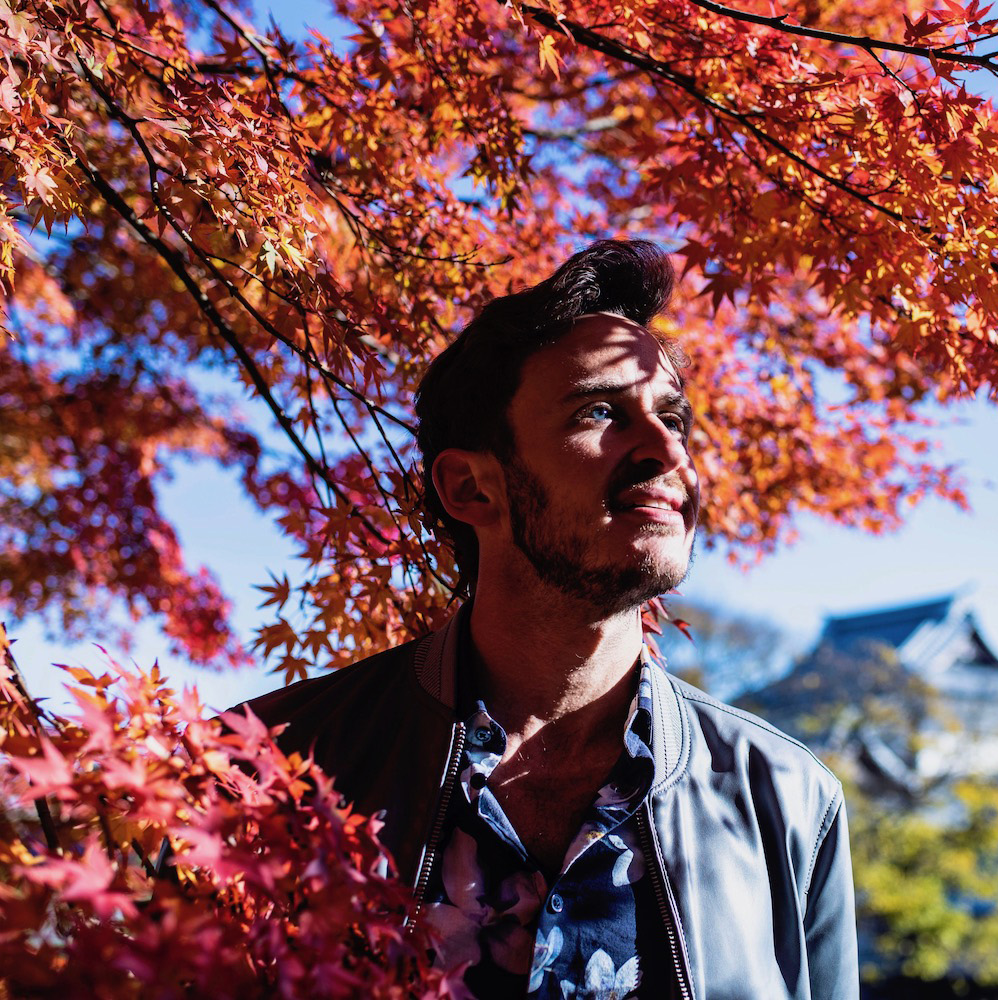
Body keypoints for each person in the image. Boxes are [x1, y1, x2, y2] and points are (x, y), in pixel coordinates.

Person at [242, 240, 858, 999]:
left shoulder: (789, 803)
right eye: (600, 412)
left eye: (673, 418)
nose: (666, 450)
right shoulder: (274, 769)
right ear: (471, 489)